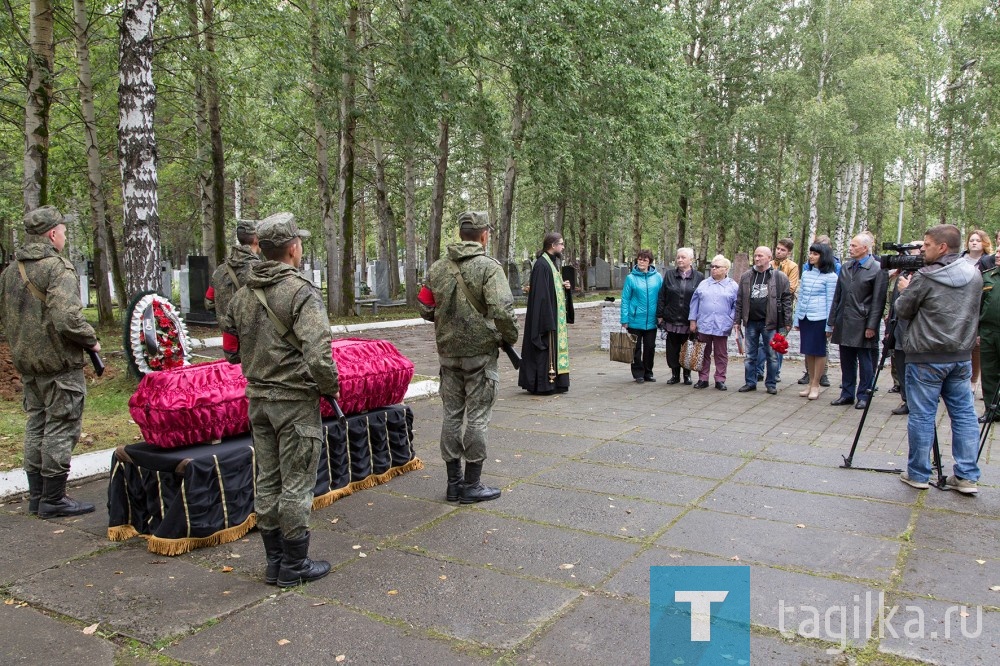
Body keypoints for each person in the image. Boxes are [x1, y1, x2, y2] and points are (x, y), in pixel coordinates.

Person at [223, 213, 339, 587]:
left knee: (268, 480)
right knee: (297, 485)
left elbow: (230, 350)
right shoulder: (301, 291)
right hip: (294, 402)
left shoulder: (242, 295)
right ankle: (294, 565)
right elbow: (319, 355)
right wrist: (330, 388)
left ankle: (274, 561)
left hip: (257, 401)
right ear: (292, 249)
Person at [0, 206, 100, 519]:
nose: (65, 235)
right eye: (63, 231)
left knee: (37, 424)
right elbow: (67, 317)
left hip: (27, 363)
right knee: (61, 425)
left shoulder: (9, 271)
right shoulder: (57, 268)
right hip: (58, 364)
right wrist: (90, 339)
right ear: (52, 234)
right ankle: (54, 499)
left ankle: (38, 496)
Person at [418, 211, 518, 503]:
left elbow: (424, 307)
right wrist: (508, 337)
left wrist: (447, 320)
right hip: (480, 357)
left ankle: (453, 484)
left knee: (451, 416)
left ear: (461, 234)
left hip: (448, 356)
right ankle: (472, 485)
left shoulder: (437, 268)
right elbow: (501, 310)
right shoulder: (489, 268)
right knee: (476, 418)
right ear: (484, 235)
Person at [896, 224, 982, 494]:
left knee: (922, 416)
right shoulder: (974, 274)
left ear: (943, 247)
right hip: (960, 356)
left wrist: (904, 289)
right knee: (965, 416)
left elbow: (903, 309)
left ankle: (919, 474)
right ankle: (967, 477)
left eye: (927, 245)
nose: (923, 249)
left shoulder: (926, 277)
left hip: (926, 356)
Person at [828, 234, 888, 410]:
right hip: (844, 320)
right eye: (850, 245)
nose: (850, 248)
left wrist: (871, 326)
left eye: (854, 246)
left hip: (863, 323)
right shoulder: (846, 267)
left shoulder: (877, 269)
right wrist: (832, 320)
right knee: (846, 360)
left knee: (866, 361)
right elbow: (837, 296)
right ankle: (847, 394)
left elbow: (878, 302)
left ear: (865, 248)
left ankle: (864, 395)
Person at [519, 232, 571, 394]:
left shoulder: (551, 262)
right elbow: (541, 296)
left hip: (553, 314)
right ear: (553, 245)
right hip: (545, 317)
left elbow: (550, 289)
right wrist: (547, 320)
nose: (562, 247)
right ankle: (543, 384)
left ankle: (557, 383)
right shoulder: (542, 265)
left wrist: (563, 287)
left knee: (553, 349)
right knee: (544, 350)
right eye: (561, 244)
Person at [735, 246, 792, 394]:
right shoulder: (746, 276)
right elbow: (740, 300)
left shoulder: (779, 277)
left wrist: (787, 322)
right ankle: (750, 382)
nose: (757, 258)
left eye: (760, 256)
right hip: (751, 322)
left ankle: (771, 384)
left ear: (769, 258)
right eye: (755, 255)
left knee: (772, 356)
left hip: (770, 323)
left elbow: (787, 300)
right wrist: (737, 321)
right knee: (750, 356)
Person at [792, 243, 838, 400]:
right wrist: (797, 319)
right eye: (810, 253)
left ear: (823, 256)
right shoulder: (806, 274)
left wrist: (829, 325)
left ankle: (816, 384)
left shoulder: (831, 277)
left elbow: (831, 302)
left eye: (815, 254)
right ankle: (810, 382)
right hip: (806, 317)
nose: (811, 256)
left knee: (819, 351)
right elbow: (801, 297)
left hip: (820, 318)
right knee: (808, 351)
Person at [885, 242, 924, 416]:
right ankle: (906, 399)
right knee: (900, 363)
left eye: (920, 250)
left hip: (918, 333)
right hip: (899, 327)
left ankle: (918, 401)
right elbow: (894, 302)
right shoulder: (904, 274)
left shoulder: (927, 276)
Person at [688, 255, 738, 390]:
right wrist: (693, 321)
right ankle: (703, 378)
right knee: (703, 351)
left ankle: (720, 379)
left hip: (722, 325)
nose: (714, 269)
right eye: (713, 267)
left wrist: (731, 319)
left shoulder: (733, 286)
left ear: (726, 269)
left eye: (717, 267)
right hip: (704, 324)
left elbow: (736, 305)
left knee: (721, 354)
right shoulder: (704, 284)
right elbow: (694, 303)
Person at [657, 248, 704, 385]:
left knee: (688, 347)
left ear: (691, 260)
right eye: (678, 257)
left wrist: (697, 319)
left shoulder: (699, 277)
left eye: (683, 257)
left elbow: (701, 299)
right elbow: (662, 296)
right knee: (672, 349)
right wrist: (660, 315)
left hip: (688, 320)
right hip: (671, 318)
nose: (679, 260)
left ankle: (687, 375)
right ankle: (675, 374)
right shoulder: (669, 275)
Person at [206, 218, 260, 324]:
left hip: (228, 336)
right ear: (256, 239)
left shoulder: (220, 270)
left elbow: (209, 301)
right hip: (253, 337)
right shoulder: (260, 270)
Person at [620, 249, 663, 383]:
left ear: (650, 261)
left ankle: (648, 372)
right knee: (636, 348)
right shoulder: (631, 278)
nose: (641, 262)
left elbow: (662, 297)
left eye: (644, 260)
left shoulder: (657, 277)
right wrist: (624, 319)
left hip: (652, 319)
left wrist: (661, 315)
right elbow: (625, 299)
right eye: (639, 259)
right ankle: (638, 373)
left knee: (650, 347)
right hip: (634, 319)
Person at [760, 238, 800, 382]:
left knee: (778, 341)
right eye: (777, 248)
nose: (779, 251)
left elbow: (791, 287)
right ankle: (759, 371)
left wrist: (775, 291)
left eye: (783, 250)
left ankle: (775, 372)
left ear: (788, 252)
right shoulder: (769, 264)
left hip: (783, 309)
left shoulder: (792, 266)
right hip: (767, 309)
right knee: (762, 341)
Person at [963, 229, 992, 395]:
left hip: (979, 304)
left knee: (976, 343)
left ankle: (974, 381)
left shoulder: (988, 261)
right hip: (961, 304)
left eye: (978, 240)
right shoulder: (960, 260)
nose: (974, 242)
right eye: (971, 239)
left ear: (984, 243)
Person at [979, 254, 1000, 422]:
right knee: (988, 372)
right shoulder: (987, 276)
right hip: (988, 331)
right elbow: (978, 306)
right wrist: (977, 332)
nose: (997, 255)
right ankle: (992, 411)